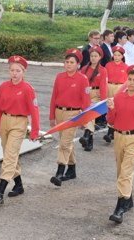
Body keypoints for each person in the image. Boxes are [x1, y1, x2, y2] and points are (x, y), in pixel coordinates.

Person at [0, 55, 40, 205]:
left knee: (9, 156)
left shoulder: (27, 89)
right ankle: (18, 185)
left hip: (19, 123)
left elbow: (34, 110)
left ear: (23, 72)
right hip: (5, 120)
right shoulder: (3, 86)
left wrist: (34, 131)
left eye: (18, 70)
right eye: (12, 70)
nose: (14, 73)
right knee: (9, 154)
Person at [107, 65, 134, 224]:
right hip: (118, 136)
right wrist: (111, 109)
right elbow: (111, 121)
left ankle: (120, 207)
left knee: (125, 173)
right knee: (120, 172)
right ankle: (128, 198)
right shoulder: (118, 97)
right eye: (129, 79)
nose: (131, 83)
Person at [49, 49, 90, 187]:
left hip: (73, 115)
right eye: (66, 62)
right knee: (65, 141)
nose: (68, 65)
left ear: (78, 64)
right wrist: (51, 116)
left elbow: (86, 100)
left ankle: (60, 172)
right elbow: (54, 96)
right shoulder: (59, 77)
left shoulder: (83, 79)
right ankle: (72, 169)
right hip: (59, 112)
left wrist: (85, 119)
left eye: (72, 62)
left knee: (64, 143)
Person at [79, 46, 108, 151]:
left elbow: (103, 86)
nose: (93, 58)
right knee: (88, 116)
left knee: (90, 115)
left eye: (96, 56)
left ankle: (87, 135)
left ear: (100, 57)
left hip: (96, 94)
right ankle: (88, 141)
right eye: (92, 56)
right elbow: (80, 83)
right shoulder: (84, 69)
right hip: (85, 94)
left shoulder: (102, 70)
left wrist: (103, 102)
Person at [103, 46, 128, 143]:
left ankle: (111, 130)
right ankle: (110, 129)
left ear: (122, 56)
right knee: (110, 107)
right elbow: (105, 79)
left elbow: (126, 82)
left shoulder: (125, 67)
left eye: (119, 55)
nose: (117, 57)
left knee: (117, 108)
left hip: (120, 88)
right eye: (115, 55)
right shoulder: (108, 65)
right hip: (109, 86)